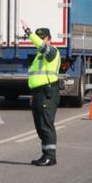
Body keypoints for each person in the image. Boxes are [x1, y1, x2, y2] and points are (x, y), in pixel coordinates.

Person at [21, 20, 60, 167]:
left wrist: (29, 32)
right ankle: (46, 154)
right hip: (39, 92)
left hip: (48, 91)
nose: (40, 40)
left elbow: (42, 47)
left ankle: (50, 156)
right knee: (39, 125)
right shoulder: (39, 56)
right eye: (39, 37)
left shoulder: (52, 52)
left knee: (46, 124)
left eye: (43, 37)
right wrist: (34, 94)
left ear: (49, 39)